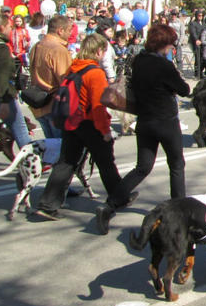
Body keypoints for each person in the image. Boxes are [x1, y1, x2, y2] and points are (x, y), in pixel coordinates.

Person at [96, 24, 191, 234]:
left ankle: (110, 204)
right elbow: (184, 89)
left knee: (142, 167)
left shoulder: (139, 61)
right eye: (170, 43)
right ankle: (179, 212)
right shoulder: (164, 66)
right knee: (176, 165)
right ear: (163, 44)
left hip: (145, 121)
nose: (171, 47)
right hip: (166, 121)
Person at [33, 34, 123, 220]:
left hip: (71, 123)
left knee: (66, 163)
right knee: (106, 162)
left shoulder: (73, 68)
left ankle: (47, 205)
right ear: (98, 51)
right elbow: (98, 107)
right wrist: (105, 130)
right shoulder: (95, 73)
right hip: (89, 123)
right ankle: (119, 197)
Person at [0, 14, 34, 158]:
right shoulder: (1, 48)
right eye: (9, 26)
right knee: (21, 133)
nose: (11, 29)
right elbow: (3, 76)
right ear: (2, 27)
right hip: (2, 96)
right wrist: (4, 101)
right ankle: (30, 166)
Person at [28, 14, 73, 139]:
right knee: (60, 147)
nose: (70, 34)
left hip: (39, 103)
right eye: (69, 30)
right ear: (60, 30)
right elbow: (65, 80)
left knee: (51, 146)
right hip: (53, 105)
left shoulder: (37, 46)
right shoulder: (58, 50)